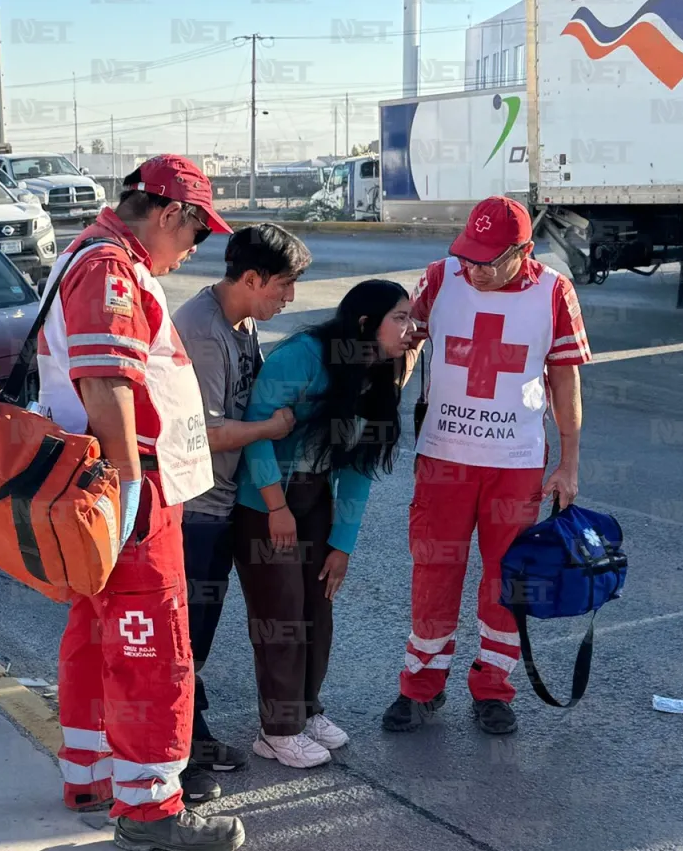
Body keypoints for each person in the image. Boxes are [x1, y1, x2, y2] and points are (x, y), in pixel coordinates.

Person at [39, 155, 246, 851]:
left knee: (97, 632)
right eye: (196, 234)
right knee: (152, 643)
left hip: (96, 486)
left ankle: (94, 773)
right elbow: (106, 384)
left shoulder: (90, 255)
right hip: (126, 488)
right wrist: (128, 490)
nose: (193, 251)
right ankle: (152, 805)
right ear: (169, 214)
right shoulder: (110, 268)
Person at [381, 195, 592, 737]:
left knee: (507, 580)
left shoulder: (553, 292)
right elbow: (406, 342)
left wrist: (568, 464)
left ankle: (494, 687)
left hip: (516, 463)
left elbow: (565, 380)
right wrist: (385, 395)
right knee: (433, 574)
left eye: (489, 260)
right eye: (468, 255)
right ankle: (421, 686)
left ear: (524, 250)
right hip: (444, 460)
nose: (474, 269)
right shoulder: (439, 277)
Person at [233, 280, 413, 767]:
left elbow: (359, 467)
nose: (409, 328)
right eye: (398, 318)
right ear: (363, 324)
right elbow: (256, 433)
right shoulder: (303, 357)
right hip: (265, 500)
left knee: (318, 607)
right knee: (282, 616)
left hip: (315, 500)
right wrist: (275, 508)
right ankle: (277, 730)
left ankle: (306, 710)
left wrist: (342, 545)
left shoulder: (379, 369)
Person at [170, 224, 309, 799]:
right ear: (250, 279)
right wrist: (272, 428)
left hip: (223, 504)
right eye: (282, 285)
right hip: (195, 508)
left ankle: (190, 736)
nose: (289, 298)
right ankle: (175, 756)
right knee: (183, 638)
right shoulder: (202, 332)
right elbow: (201, 431)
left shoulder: (241, 320)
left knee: (197, 637)